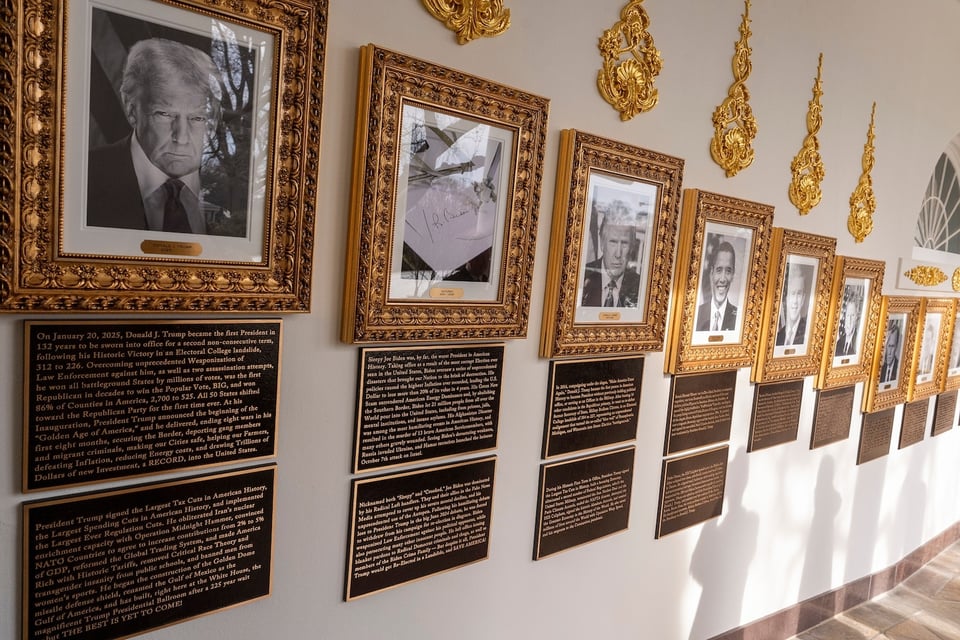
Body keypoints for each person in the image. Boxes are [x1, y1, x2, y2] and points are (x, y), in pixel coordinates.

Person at [86, 38, 223, 234]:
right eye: (164, 114)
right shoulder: (80, 176)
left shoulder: (236, 193)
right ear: (132, 110)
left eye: (198, 117)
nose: (182, 137)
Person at [581, 203, 641, 308]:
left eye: (624, 243)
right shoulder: (582, 277)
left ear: (632, 247)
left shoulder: (640, 286)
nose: (618, 254)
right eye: (613, 242)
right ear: (602, 243)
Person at [695, 241, 738, 331]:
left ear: (733, 275)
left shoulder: (739, 318)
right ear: (712, 272)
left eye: (728, 271)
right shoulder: (696, 314)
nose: (722, 279)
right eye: (719, 270)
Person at [775, 266, 807, 346]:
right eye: (792, 293)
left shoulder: (807, 333)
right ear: (786, 298)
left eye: (799, 294)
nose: (795, 301)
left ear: (803, 298)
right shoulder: (778, 336)